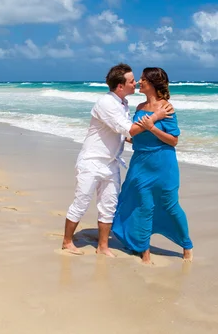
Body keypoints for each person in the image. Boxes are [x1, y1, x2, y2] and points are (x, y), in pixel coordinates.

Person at [61, 63, 173, 257]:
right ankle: (67, 242)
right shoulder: (106, 103)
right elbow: (128, 129)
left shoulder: (123, 104)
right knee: (81, 201)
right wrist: (156, 116)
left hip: (111, 162)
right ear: (120, 86)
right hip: (92, 161)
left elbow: (127, 135)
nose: (136, 82)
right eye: (131, 81)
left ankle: (103, 247)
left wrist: (154, 144)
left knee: (109, 205)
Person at [112, 67, 193, 264]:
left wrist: (152, 127)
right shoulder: (139, 108)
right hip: (140, 162)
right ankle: (144, 250)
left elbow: (173, 141)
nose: (139, 82)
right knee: (143, 205)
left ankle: (187, 247)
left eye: (143, 79)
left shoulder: (166, 107)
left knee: (170, 205)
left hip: (163, 164)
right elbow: (136, 136)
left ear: (153, 83)